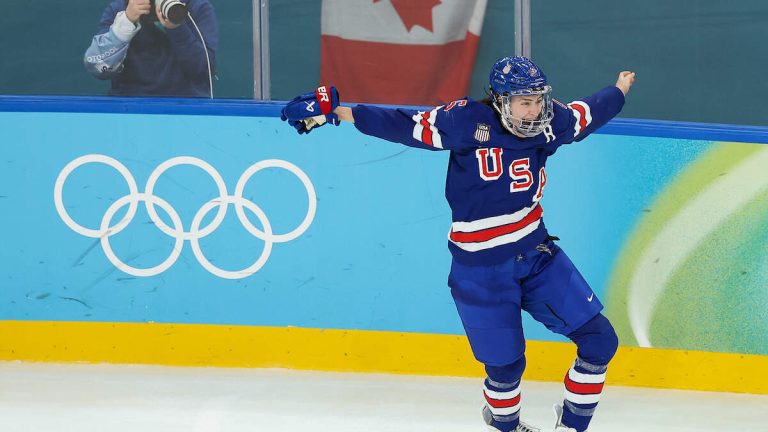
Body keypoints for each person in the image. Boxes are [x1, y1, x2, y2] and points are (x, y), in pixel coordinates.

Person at [281, 57, 635, 432]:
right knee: (506, 366)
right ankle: (505, 424)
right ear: (500, 100)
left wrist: (619, 90)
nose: (534, 111)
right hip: (480, 271)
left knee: (600, 341)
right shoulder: (466, 121)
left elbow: (585, 115)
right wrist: (338, 112)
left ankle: (572, 426)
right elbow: (406, 126)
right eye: (523, 102)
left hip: (537, 255)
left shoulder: (549, 124)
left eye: (538, 101)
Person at [84, 0, 218, 98]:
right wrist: (126, 23)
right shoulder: (119, 9)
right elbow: (99, 68)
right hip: (129, 104)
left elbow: (204, 70)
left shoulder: (198, 8)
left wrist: (177, 26)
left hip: (186, 103)